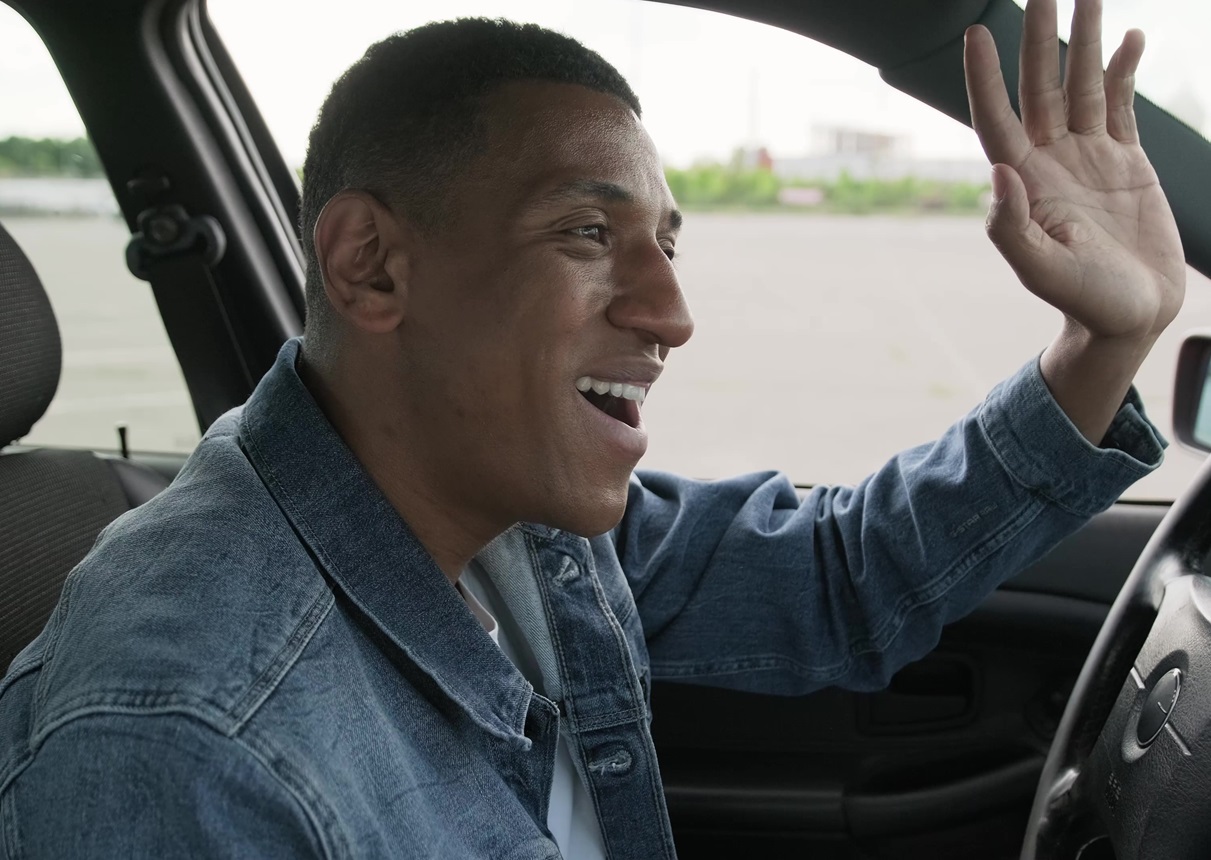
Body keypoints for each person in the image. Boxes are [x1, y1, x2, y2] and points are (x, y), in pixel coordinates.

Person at [0, 0, 1180, 857]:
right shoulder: (188, 739)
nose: (669, 312)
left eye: (665, 243)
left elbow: (833, 577)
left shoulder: (507, 520)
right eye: (583, 232)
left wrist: (1101, 340)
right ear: (369, 265)